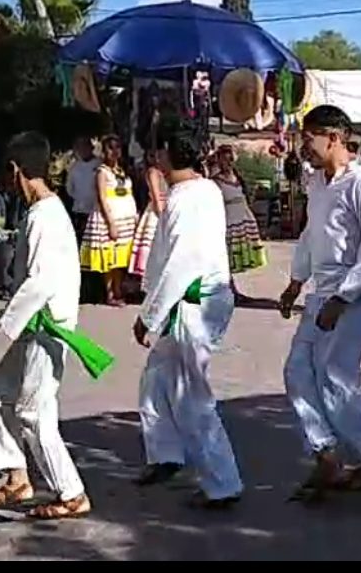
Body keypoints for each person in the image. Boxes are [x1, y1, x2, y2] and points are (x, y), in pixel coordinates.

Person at [0, 131, 91, 520]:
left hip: (46, 328)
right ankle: (17, 476)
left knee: (34, 411)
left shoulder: (44, 217)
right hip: (34, 326)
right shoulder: (43, 212)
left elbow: (38, 283)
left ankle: (71, 493)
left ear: (14, 170)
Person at [278, 105, 361, 499]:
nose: (303, 147)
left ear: (334, 138)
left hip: (352, 298)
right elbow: (312, 234)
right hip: (319, 295)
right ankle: (326, 455)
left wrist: (343, 297)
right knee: (297, 372)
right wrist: (296, 282)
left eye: (309, 138)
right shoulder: (317, 183)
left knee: (336, 378)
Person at [131, 116, 243, 509]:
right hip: (196, 299)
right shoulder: (203, 189)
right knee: (156, 377)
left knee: (191, 396)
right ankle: (166, 455)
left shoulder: (185, 199)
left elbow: (180, 265)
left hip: (192, 303)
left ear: (166, 154)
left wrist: (150, 316)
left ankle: (223, 483)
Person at [80, 134, 138, 306]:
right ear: (104, 151)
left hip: (125, 219)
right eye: (110, 148)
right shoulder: (101, 172)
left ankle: (118, 289)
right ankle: (110, 293)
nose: (114, 151)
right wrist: (110, 222)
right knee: (109, 257)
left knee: (120, 257)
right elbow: (102, 198)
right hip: (110, 218)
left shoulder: (122, 171)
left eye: (117, 147)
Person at [210, 144, 268, 303]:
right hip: (228, 220)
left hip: (242, 217)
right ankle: (229, 290)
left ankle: (232, 290)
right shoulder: (215, 181)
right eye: (225, 159)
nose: (228, 162)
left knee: (233, 257)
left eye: (230, 159)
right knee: (226, 257)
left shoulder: (237, 178)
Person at [129, 161, 168, 284]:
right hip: (157, 211)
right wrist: (162, 216)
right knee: (151, 245)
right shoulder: (153, 172)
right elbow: (156, 197)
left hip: (167, 206)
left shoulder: (168, 171)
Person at [65, 136, 100, 242]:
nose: (83, 150)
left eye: (85, 146)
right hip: (80, 211)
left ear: (91, 147)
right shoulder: (74, 167)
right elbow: (69, 188)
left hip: (96, 211)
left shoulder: (99, 164)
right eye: (80, 147)